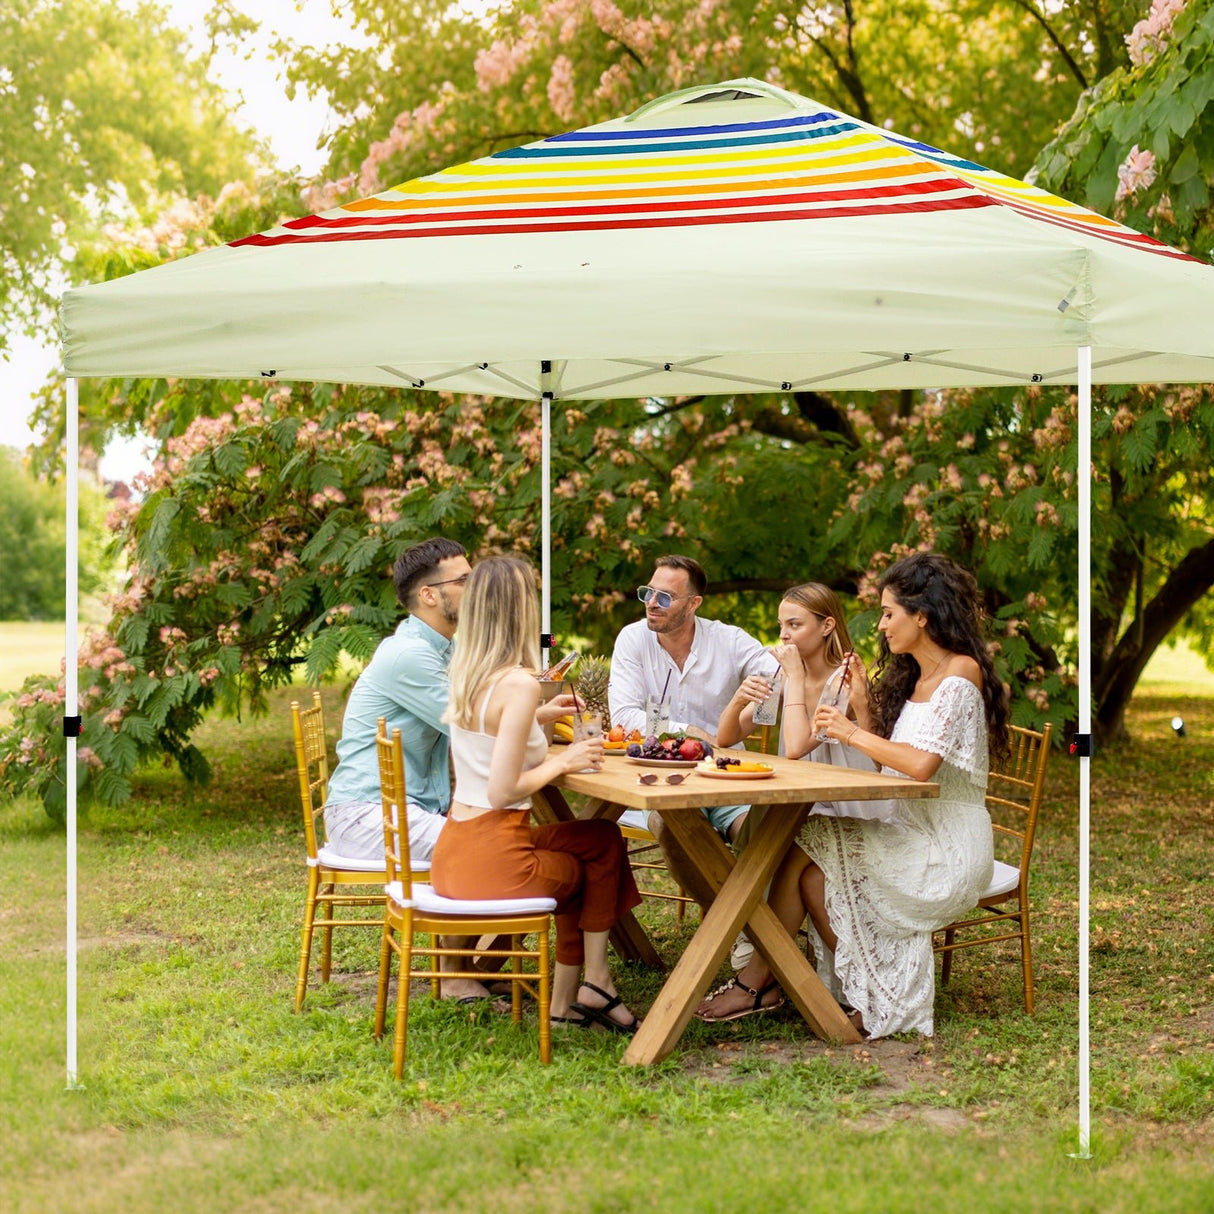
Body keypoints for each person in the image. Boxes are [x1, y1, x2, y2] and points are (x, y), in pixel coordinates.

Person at [696, 552, 1009, 1038]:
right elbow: (889, 765)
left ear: (922, 616)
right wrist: (863, 710)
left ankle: (762, 979)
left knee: (805, 843)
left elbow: (922, 767)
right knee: (807, 854)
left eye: (889, 614)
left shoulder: (960, 672)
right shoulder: (918, 678)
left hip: (945, 846)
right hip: (907, 827)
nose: (881, 625)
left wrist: (849, 730)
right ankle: (848, 990)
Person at [431, 556, 644, 1033]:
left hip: (457, 850)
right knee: (586, 872)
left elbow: (490, 733)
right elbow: (503, 788)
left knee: (601, 839)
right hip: (496, 862)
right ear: (519, 610)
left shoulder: (469, 673)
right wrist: (563, 761)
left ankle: (591, 986)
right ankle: (579, 993)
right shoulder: (519, 683)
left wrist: (541, 717)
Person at [608, 555, 769, 910]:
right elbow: (624, 716)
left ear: (693, 603)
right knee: (673, 826)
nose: (651, 603)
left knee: (761, 837)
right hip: (653, 780)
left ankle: (746, 929)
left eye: (664, 597)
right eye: (648, 592)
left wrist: (749, 720)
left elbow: (777, 677)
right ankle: (735, 925)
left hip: (724, 778)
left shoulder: (729, 640)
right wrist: (686, 732)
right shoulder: (632, 639)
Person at [324, 537, 471, 864]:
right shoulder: (409, 654)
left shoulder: (447, 648)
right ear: (428, 594)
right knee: (489, 851)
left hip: (406, 811)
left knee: (499, 844)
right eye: (464, 581)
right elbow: (473, 722)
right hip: (366, 816)